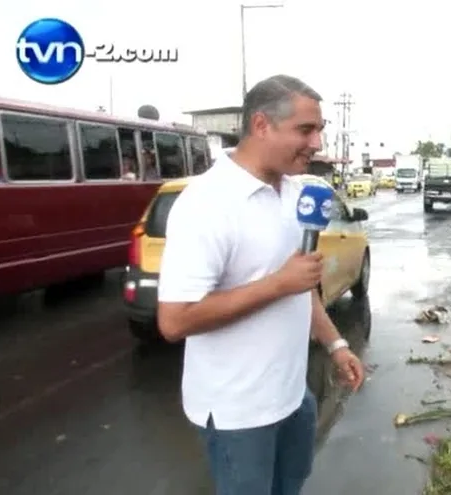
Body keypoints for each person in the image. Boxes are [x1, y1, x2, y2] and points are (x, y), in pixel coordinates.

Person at [156, 74, 365, 495]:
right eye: (305, 130)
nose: (317, 143)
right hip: (238, 413)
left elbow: (301, 285)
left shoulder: (294, 194)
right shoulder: (206, 204)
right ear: (261, 125)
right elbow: (174, 321)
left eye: (320, 130)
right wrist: (277, 284)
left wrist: (336, 345)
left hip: (292, 397)